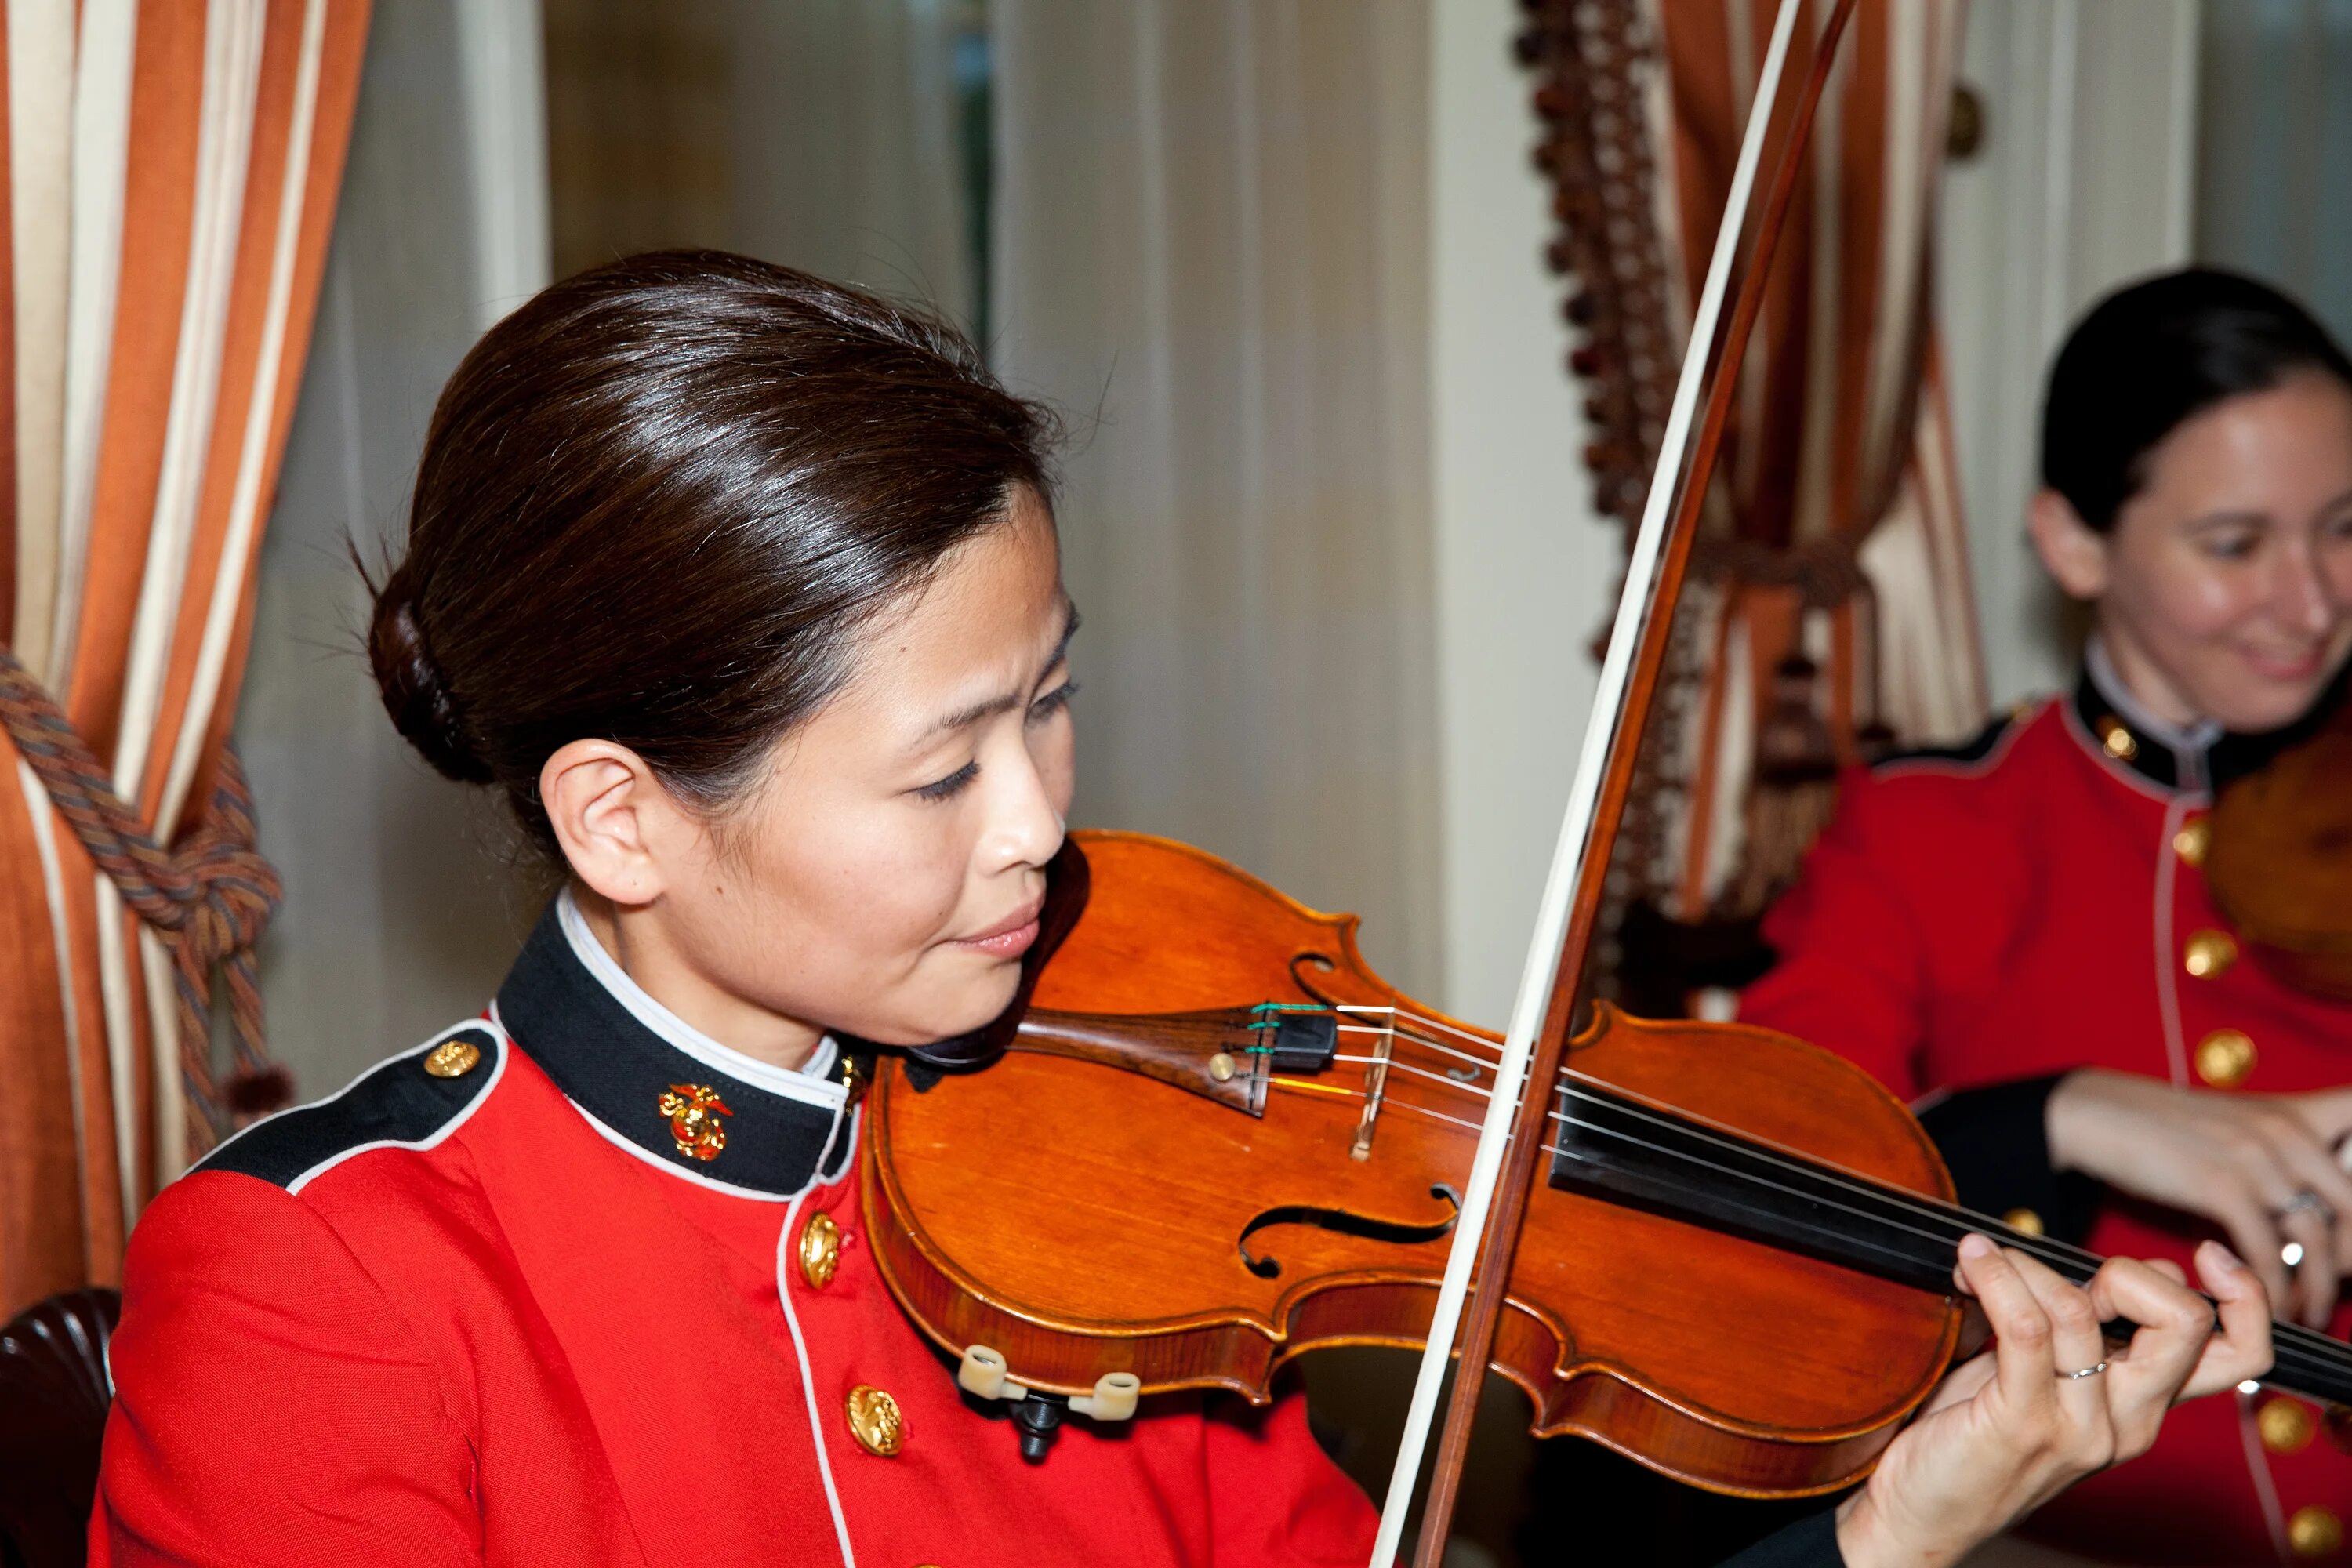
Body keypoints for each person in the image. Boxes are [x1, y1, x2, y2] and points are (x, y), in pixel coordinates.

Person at [90, 253, 2270, 1568]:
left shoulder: (1126, 1185)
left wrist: (1888, 1527)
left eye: (1054, 708)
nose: (1048, 826)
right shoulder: (329, 1280)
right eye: (944, 769)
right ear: (624, 818)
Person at [1744, 267, 2352, 1565]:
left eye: (2347, 527)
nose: (2313, 604)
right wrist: (2061, 1115)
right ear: (2075, 544)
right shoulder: (1928, 829)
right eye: (2237, 545)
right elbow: (1768, 1190)